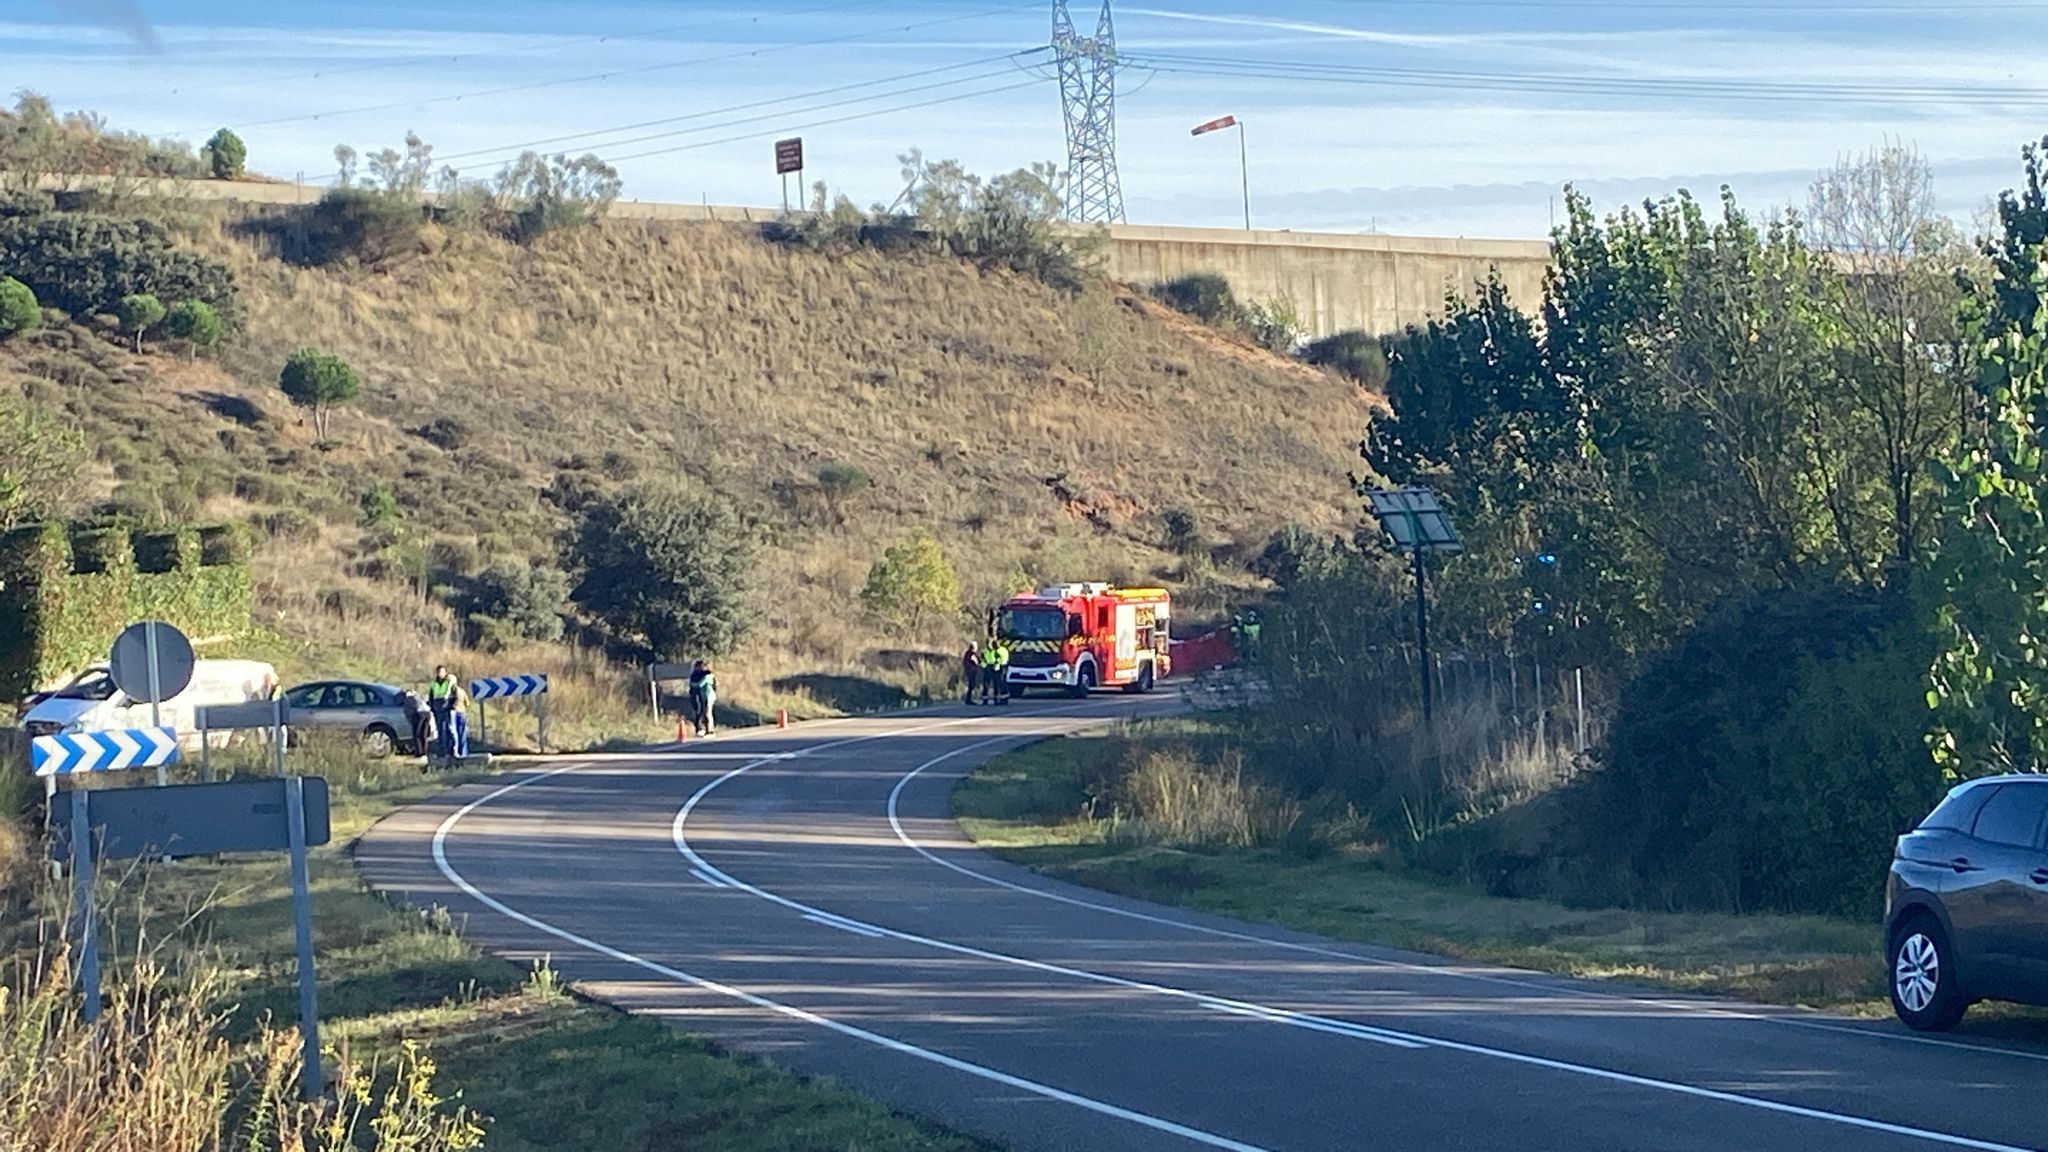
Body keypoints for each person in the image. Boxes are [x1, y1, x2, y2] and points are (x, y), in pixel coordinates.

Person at [427, 664, 459, 761]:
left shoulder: (449, 682)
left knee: (449, 729)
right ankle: (442, 751)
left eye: (442, 672)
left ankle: (452, 751)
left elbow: (455, 695)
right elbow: (431, 697)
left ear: (445, 672)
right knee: (440, 731)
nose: (440, 674)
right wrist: (432, 708)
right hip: (437, 709)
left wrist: (451, 706)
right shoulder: (433, 684)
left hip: (447, 709)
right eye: (438, 672)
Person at [688, 659, 718, 737]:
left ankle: (710, 730)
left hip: (709, 696)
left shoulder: (708, 675)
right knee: (701, 712)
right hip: (702, 696)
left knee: (707, 712)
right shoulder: (696, 675)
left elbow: (700, 684)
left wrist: (693, 684)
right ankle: (702, 729)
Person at [978, 636, 1002, 705]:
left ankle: (996, 700)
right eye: (987, 643)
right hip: (987, 668)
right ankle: (985, 700)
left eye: (989, 643)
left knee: (996, 685)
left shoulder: (995, 651)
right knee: (986, 685)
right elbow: (982, 660)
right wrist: (983, 666)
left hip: (994, 668)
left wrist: (996, 665)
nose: (988, 644)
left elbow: (999, 659)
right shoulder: (984, 651)